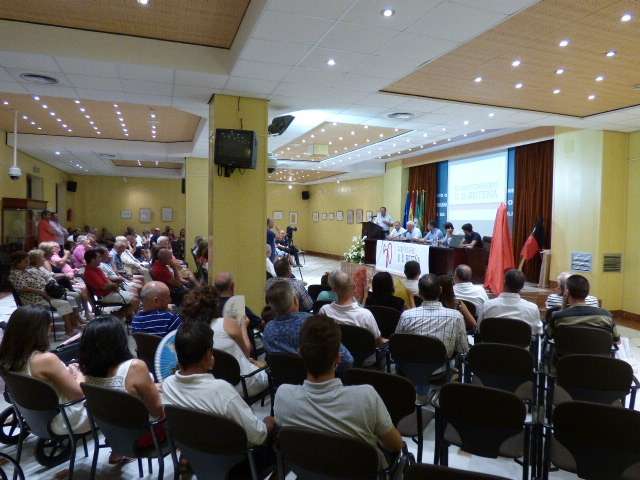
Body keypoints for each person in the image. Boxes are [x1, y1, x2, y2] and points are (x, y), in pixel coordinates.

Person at [274, 316, 402, 468]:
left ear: (300, 354)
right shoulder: (366, 397)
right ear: (338, 358)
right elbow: (395, 445)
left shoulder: (283, 395)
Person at [161, 321, 274, 449]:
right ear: (208, 355)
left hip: (196, 453)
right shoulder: (221, 391)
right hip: (234, 456)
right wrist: (269, 421)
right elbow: (259, 436)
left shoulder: (168, 386)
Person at [79, 315, 164, 459]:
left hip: (115, 436)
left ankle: (118, 453)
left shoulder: (87, 373)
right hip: (145, 436)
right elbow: (158, 412)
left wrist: (152, 388)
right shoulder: (134, 367)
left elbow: (121, 392)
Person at [0, 306, 90, 436]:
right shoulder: (45, 360)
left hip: (37, 418)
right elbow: (78, 395)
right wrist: (80, 373)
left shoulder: (6, 357)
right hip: (67, 418)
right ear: (42, 330)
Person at [181, 286, 269, 397]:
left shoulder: (188, 333)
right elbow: (247, 352)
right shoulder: (227, 323)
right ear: (214, 305)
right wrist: (243, 326)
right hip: (243, 384)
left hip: (211, 388)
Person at [263, 280, 353, 370]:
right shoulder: (313, 324)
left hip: (281, 377)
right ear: (295, 300)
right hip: (316, 376)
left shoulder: (268, 329)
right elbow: (347, 360)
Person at [395, 273, 469, 360]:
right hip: (443, 366)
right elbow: (463, 349)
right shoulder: (456, 317)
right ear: (440, 290)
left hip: (410, 366)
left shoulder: (406, 316)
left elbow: (398, 344)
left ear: (419, 293)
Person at [9, 251, 82, 336]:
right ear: (17, 262)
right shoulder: (15, 274)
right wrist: (41, 292)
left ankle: (74, 325)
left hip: (45, 295)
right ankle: (69, 329)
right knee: (64, 304)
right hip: (35, 299)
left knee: (68, 299)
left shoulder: (25, 271)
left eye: (28, 261)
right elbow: (22, 288)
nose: (28, 263)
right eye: (25, 261)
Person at [318, 271, 387, 349]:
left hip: (333, 353)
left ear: (333, 289)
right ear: (354, 287)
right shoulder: (365, 315)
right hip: (361, 356)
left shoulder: (324, 310)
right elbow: (378, 342)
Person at [549, 274, 619, 341]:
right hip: (598, 349)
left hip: (566, 349)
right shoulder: (607, 316)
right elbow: (616, 340)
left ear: (566, 292)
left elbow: (549, 335)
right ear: (587, 292)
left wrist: (563, 305)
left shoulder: (558, 317)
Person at [480, 269, 542, 334]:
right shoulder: (532, 308)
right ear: (522, 287)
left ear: (504, 283)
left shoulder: (487, 305)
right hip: (520, 340)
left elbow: (479, 328)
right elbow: (538, 331)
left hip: (491, 340)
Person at [84, 248, 139, 318]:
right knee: (135, 300)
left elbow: (107, 282)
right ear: (92, 260)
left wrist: (114, 285)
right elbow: (104, 287)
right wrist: (115, 285)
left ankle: (120, 315)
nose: (100, 259)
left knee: (135, 297)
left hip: (110, 292)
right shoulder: (90, 273)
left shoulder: (96, 269)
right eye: (99, 257)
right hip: (105, 296)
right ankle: (118, 316)